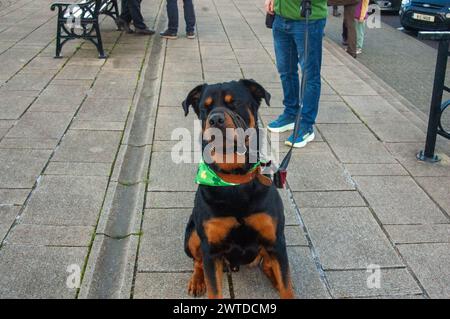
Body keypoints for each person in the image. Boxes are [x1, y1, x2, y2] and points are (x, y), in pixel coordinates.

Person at [264, 0, 327, 148]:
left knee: (309, 75)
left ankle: (306, 124)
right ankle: (291, 113)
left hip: (308, 19)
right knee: (286, 70)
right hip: (280, 18)